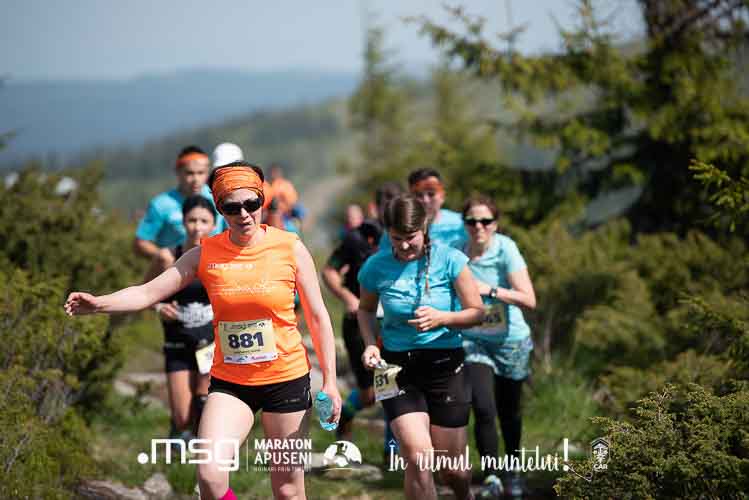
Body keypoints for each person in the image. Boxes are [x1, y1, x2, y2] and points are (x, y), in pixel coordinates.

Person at [65, 161, 342, 500]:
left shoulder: (290, 247)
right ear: (220, 208)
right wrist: (99, 303)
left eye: (252, 203)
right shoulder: (206, 253)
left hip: (286, 380)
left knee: (287, 490)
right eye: (232, 207)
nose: (244, 214)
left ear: (262, 200)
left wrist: (330, 381)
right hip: (232, 383)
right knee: (210, 476)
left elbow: (318, 316)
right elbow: (148, 292)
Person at [357, 194, 484, 500]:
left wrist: (444, 318)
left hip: (445, 365)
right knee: (418, 457)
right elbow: (365, 310)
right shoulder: (376, 266)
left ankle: (464, 494)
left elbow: (477, 312)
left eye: (410, 238)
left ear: (424, 228)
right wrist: (370, 345)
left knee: (453, 471)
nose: (403, 246)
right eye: (396, 238)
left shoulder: (450, 260)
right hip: (394, 368)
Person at [456, 195, 536, 499]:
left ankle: (513, 471)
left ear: (495, 224)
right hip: (474, 340)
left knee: (509, 411)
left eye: (485, 221)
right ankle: (491, 476)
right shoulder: (457, 254)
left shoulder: (506, 250)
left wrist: (489, 290)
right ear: (464, 224)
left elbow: (529, 299)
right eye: (472, 221)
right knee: (483, 407)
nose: (479, 226)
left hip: (510, 341)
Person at [145, 195, 217, 444]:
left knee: (205, 403)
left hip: (210, 343)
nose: (197, 227)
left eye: (204, 221)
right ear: (183, 222)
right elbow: (145, 293)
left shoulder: (220, 258)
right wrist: (159, 307)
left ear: (214, 224)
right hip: (177, 342)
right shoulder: (167, 257)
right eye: (192, 220)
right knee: (182, 417)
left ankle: (204, 456)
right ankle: (180, 435)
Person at [322, 219, 382, 440]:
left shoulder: (410, 238)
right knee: (369, 395)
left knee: (395, 388)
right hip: (359, 323)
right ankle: (344, 416)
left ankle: (393, 452)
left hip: (395, 325)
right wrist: (349, 299)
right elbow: (329, 270)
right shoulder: (357, 238)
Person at [133, 146, 225, 260]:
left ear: (208, 173)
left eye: (201, 173)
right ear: (178, 172)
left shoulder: (218, 197)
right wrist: (166, 258)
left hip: (215, 263)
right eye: (189, 173)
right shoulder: (161, 205)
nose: (196, 179)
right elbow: (141, 243)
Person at [379, 168, 465, 249]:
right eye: (419, 195)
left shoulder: (463, 224)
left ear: (442, 196)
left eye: (431, 194)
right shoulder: (396, 227)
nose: (425, 200)